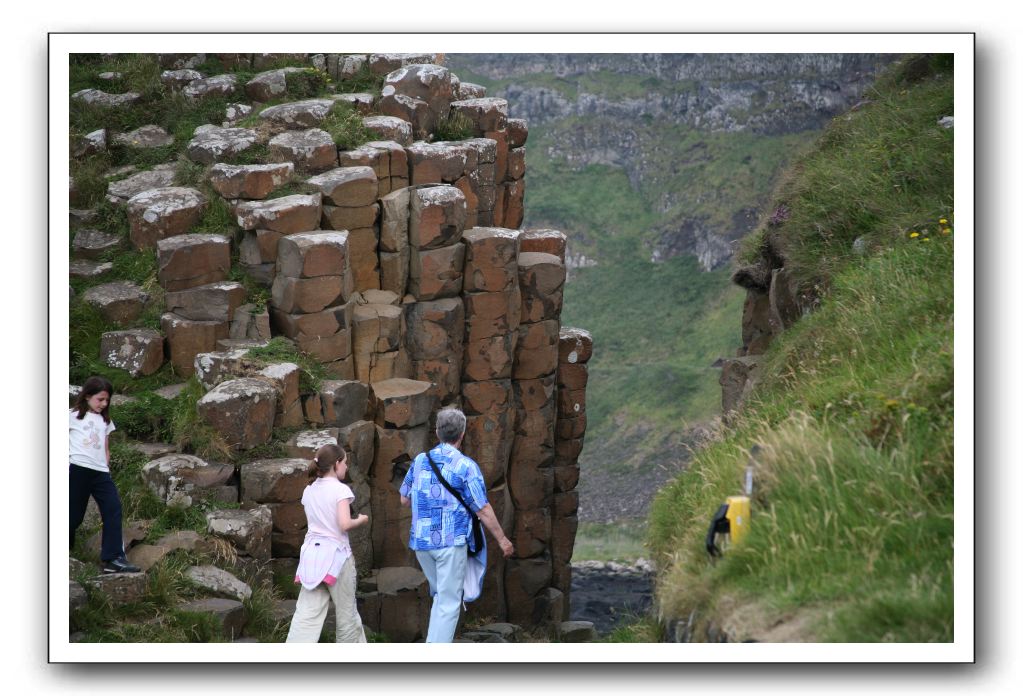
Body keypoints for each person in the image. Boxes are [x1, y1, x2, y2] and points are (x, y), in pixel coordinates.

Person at [399, 407, 515, 643]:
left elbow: (404, 498)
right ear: (462, 433)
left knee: (441, 597)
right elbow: (482, 508)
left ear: (437, 431)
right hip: (450, 542)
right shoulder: (466, 467)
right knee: (449, 603)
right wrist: (502, 540)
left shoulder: (420, 460)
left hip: (421, 543)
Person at [286, 443, 369, 643]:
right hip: (337, 557)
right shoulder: (341, 491)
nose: (347, 467)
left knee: (305, 617)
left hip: (311, 557)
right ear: (336, 464)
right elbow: (344, 524)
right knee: (347, 617)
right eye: (345, 463)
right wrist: (361, 519)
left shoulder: (309, 491)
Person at [69, 376, 141, 574]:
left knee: (113, 509)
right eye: (100, 399)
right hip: (77, 469)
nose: (104, 403)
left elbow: (106, 448)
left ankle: (113, 559)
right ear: (87, 396)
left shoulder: (105, 421)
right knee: (73, 517)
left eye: (107, 400)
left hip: (101, 473)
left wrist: (106, 465)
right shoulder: (71, 416)